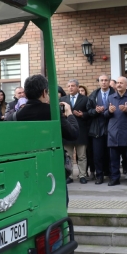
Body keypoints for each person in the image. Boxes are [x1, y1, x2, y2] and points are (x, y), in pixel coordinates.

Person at [15, 75, 79, 206]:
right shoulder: (52, 112)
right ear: (44, 92)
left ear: (26, 94)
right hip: (52, 166)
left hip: (27, 166)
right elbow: (73, 134)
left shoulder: (17, 115)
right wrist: (69, 113)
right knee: (59, 202)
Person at [60, 79, 90, 184]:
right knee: (68, 155)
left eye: (73, 86)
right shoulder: (63, 99)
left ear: (77, 87)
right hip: (67, 131)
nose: (70, 88)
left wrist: (83, 114)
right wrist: (63, 115)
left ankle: (82, 175)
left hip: (81, 131)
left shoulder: (85, 99)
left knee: (82, 156)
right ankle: (70, 176)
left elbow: (90, 113)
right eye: (68, 86)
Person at [86, 74, 115, 184]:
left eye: (106, 80)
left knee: (111, 154)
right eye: (101, 80)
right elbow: (88, 110)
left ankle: (112, 175)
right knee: (97, 155)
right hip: (97, 129)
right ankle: (99, 176)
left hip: (111, 127)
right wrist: (95, 111)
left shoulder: (114, 94)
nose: (103, 82)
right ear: (99, 82)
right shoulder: (93, 95)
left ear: (109, 82)